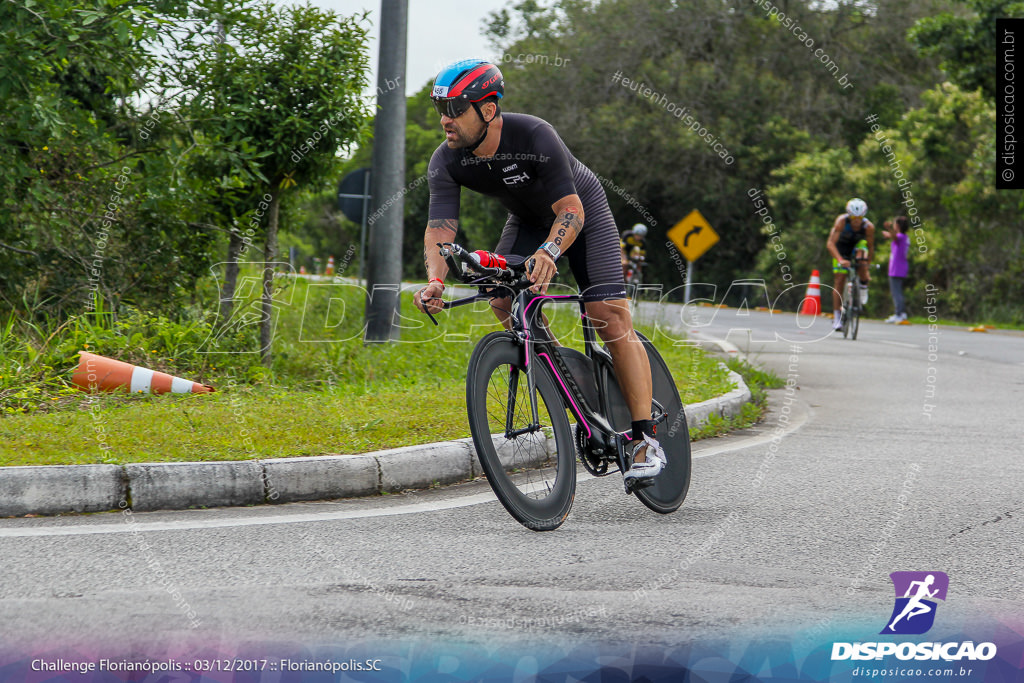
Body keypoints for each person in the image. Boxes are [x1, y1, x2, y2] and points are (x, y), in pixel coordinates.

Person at [413, 59, 665, 483]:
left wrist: (550, 250)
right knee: (502, 299)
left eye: (456, 108)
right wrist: (436, 280)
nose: (445, 120)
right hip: (528, 221)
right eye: (441, 108)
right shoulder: (447, 160)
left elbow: (570, 210)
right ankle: (564, 374)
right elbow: (440, 229)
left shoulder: (532, 134)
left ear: (487, 110)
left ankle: (645, 440)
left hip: (580, 211)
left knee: (608, 315)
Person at [826, 198, 875, 331]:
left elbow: (870, 247)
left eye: (859, 217)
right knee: (839, 281)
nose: (856, 220)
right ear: (849, 215)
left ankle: (863, 286)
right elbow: (830, 244)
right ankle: (837, 317)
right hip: (840, 248)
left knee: (862, 259)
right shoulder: (841, 221)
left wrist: (867, 265)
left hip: (857, 246)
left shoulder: (868, 227)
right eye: (853, 217)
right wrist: (840, 260)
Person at [882, 216, 910, 323]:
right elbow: (893, 236)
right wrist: (888, 234)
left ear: (897, 226)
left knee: (896, 292)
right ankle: (901, 313)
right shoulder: (905, 237)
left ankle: (899, 313)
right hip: (901, 267)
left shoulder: (900, 236)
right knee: (898, 291)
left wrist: (889, 229)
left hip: (896, 269)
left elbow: (894, 236)